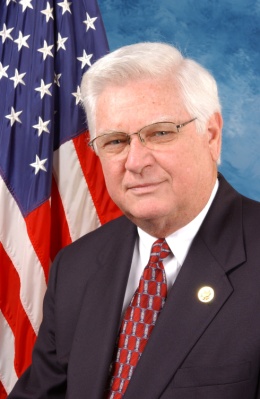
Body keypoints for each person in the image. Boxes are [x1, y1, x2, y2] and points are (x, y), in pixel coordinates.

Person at [8, 42, 260, 399]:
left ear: (212, 136)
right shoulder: (75, 267)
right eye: (115, 141)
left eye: (160, 133)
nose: (136, 161)